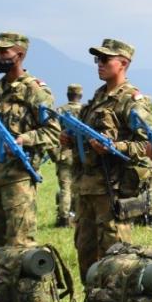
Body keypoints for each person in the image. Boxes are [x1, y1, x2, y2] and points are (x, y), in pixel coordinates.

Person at [71, 39, 151, 280]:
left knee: (116, 259)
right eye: (98, 59)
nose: (99, 64)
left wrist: (116, 147)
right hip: (87, 189)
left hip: (113, 190)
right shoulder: (97, 99)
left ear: (123, 63)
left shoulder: (132, 100)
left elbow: (149, 145)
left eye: (105, 59)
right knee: (85, 253)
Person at [0, 32, 59, 248]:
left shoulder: (35, 91)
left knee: (21, 243)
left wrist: (24, 139)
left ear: (19, 54)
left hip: (18, 178)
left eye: (4, 51)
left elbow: (53, 132)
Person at [54, 84, 83, 227]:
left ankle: (64, 218)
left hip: (64, 154)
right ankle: (77, 216)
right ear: (80, 96)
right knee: (78, 187)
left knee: (65, 188)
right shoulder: (85, 111)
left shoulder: (60, 111)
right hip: (80, 154)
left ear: (68, 95)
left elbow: (54, 132)